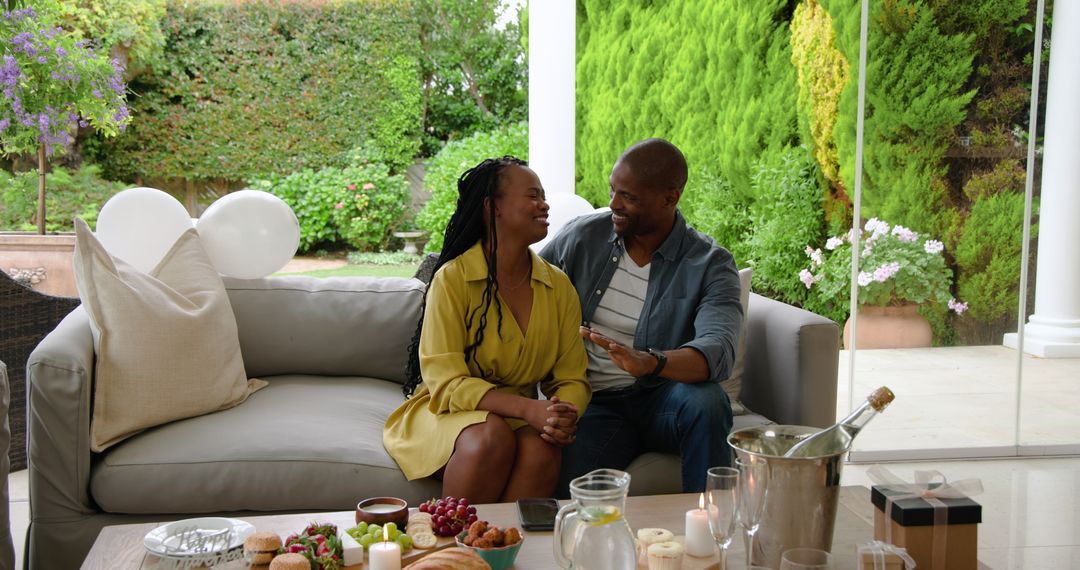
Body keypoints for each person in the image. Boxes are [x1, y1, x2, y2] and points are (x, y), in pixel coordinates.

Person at [383, 156, 591, 504]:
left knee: (543, 448)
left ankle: (507, 551)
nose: (545, 204)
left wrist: (560, 415)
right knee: (490, 436)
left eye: (543, 196)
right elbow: (446, 382)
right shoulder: (453, 279)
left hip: (513, 417)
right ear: (493, 207)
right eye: (532, 196)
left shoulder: (558, 286)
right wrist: (527, 410)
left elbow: (572, 378)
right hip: (446, 413)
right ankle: (453, 553)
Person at [539, 138, 742, 494]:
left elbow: (718, 349)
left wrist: (650, 362)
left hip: (663, 400)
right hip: (594, 403)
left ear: (670, 197)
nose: (614, 204)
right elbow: (526, 285)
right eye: (613, 191)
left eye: (629, 197)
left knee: (707, 401)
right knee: (562, 494)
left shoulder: (710, 263)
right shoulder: (583, 236)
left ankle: (709, 528)